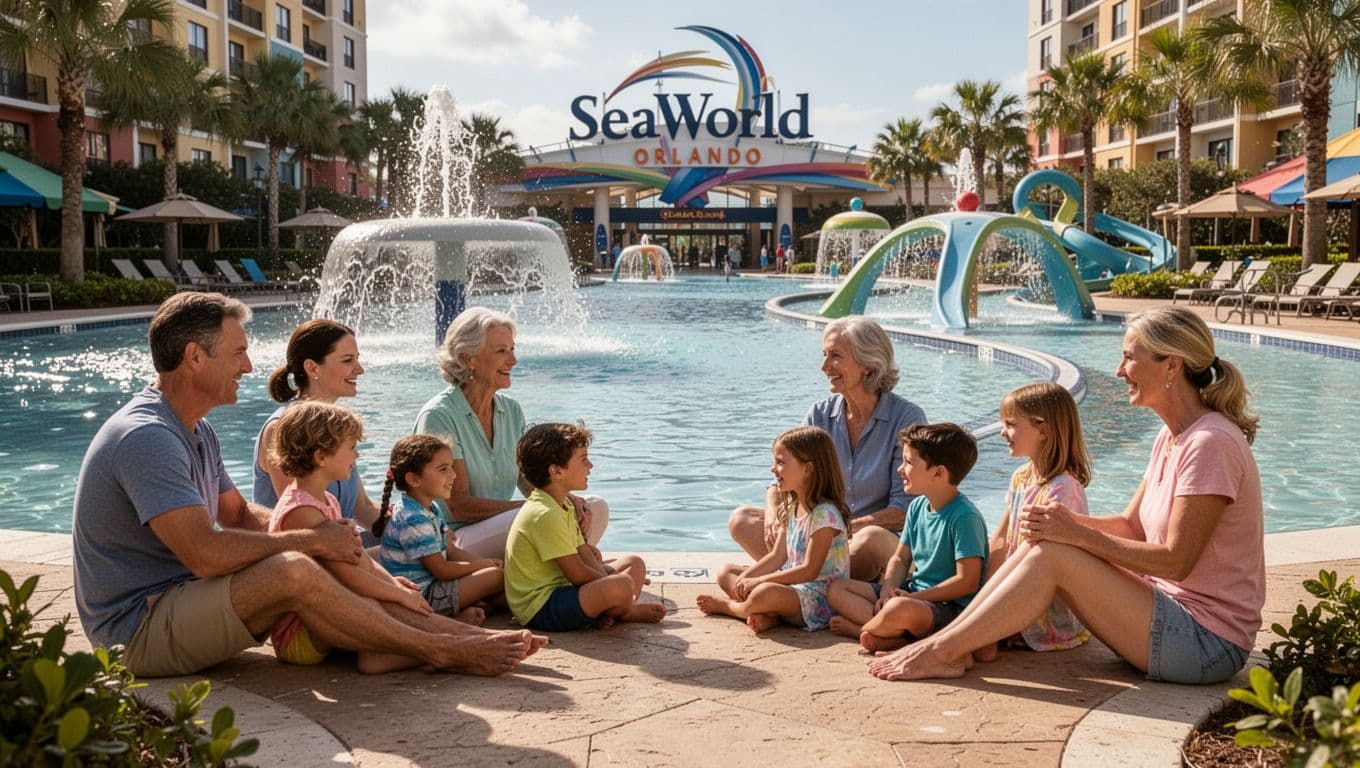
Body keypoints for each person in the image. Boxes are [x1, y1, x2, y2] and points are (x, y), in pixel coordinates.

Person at [72, 292, 544, 678]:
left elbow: (237, 515)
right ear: (195, 357)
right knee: (295, 567)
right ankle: (440, 649)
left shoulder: (195, 429)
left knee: (331, 554)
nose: (250, 367)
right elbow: (204, 552)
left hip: (180, 599)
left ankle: (461, 637)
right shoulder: (148, 437)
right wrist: (312, 538)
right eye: (238, 352)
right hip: (136, 628)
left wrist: (325, 535)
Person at [868, 307, 1263, 685]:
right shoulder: (1172, 437)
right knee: (1048, 540)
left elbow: (1176, 561)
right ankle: (958, 635)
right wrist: (1060, 525)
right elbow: (1132, 526)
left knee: (1056, 551)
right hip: (1169, 616)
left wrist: (1075, 535)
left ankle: (942, 648)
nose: (1119, 370)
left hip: (1206, 642)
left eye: (1129, 358)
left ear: (1172, 366)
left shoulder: (1210, 443)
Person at [728, 317, 926, 581]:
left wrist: (835, 529)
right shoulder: (819, 415)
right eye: (824, 355)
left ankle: (792, 587)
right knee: (741, 520)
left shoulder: (907, 418)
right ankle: (801, 586)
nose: (824, 366)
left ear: (868, 365)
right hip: (819, 535)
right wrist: (775, 513)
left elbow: (905, 510)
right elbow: (783, 476)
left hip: (872, 538)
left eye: (835, 356)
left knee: (870, 540)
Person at [414, 307, 608, 559]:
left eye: (512, 349)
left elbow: (530, 481)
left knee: (594, 507)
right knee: (535, 516)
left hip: (498, 530)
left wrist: (568, 500)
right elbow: (458, 506)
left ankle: (561, 574)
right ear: (468, 358)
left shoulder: (511, 410)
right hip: (451, 541)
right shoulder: (439, 416)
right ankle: (566, 577)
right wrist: (538, 508)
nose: (513, 360)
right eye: (501, 351)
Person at [266, 401, 436, 673]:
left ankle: (423, 641)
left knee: (384, 596)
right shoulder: (301, 511)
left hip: (327, 618)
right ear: (322, 457)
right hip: (299, 638)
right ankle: (403, 652)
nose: (356, 456)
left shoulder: (328, 500)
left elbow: (358, 561)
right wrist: (398, 595)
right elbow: (347, 576)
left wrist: (392, 583)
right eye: (351, 448)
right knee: (370, 601)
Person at [827, 423, 986, 652]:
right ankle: (893, 636)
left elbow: (966, 581)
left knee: (899, 609)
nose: (900, 469)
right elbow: (901, 559)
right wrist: (887, 589)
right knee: (837, 589)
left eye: (908, 462)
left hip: (949, 607)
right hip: (912, 592)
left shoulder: (964, 517)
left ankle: (862, 630)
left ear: (938, 473)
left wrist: (916, 598)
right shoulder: (918, 507)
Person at [504, 423, 665, 631]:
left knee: (634, 564)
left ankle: (609, 608)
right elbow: (578, 574)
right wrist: (616, 586)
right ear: (556, 471)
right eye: (583, 459)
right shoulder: (544, 513)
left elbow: (584, 554)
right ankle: (626, 611)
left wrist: (610, 581)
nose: (590, 466)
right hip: (542, 607)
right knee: (622, 585)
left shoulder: (563, 504)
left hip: (565, 589)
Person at [696, 426, 850, 633]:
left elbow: (809, 570)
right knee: (727, 573)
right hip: (792, 589)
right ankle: (770, 616)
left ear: (808, 469)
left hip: (817, 598)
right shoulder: (792, 505)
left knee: (764, 591)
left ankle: (734, 608)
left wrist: (760, 580)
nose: (773, 469)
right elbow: (778, 556)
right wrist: (747, 578)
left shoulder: (825, 515)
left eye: (780, 462)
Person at [985, 383, 1092, 653]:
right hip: (1016, 591)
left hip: (1046, 613)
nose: (1002, 432)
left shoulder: (1064, 488)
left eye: (1011, 424)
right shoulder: (1021, 477)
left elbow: (1045, 561)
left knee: (978, 645)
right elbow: (1000, 538)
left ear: (1043, 430)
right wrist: (981, 592)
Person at [253, 319, 381, 542]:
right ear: (312, 367)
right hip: (308, 560)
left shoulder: (336, 427)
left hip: (342, 546)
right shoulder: (282, 429)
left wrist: (409, 524)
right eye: (348, 360)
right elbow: (304, 522)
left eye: (357, 359)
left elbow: (362, 508)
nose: (359, 369)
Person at [377, 434, 506, 623]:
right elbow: (442, 570)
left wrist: (487, 561)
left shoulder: (430, 507)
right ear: (414, 479)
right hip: (423, 597)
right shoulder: (414, 519)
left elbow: (451, 550)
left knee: (501, 577)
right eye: (443, 469)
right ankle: (443, 618)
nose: (453, 475)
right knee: (496, 578)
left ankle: (471, 608)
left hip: (436, 585)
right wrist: (483, 566)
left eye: (452, 467)